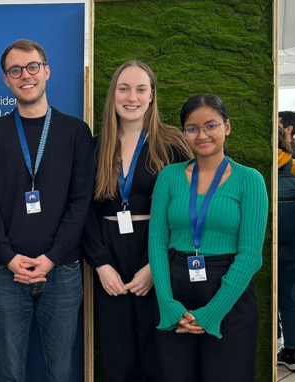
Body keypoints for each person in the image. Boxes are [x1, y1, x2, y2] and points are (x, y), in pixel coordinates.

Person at [0, 39, 95, 382]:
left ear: (47, 71)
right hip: (4, 272)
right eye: (15, 70)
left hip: (63, 270)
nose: (25, 75)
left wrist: (53, 257)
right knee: (10, 372)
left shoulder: (75, 132)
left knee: (60, 372)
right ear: (6, 80)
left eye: (32, 67)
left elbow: (80, 201)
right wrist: (9, 257)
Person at [82, 60, 192, 382]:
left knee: (157, 348)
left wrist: (155, 268)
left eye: (141, 89)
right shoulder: (94, 145)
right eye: (124, 88)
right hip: (109, 257)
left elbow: (184, 211)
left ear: (152, 96)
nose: (132, 97)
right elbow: (83, 210)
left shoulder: (171, 145)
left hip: (156, 254)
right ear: (113, 94)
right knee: (117, 352)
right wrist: (101, 264)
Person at [149, 93, 268, 382]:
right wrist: (168, 305)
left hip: (229, 298)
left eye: (211, 125)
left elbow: (251, 255)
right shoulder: (169, 176)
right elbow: (155, 245)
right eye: (192, 128)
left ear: (227, 127)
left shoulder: (249, 179)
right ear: (185, 133)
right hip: (176, 297)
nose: (202, 135)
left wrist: (211, 313)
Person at [278, 125, 295, 371]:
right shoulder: (292, 165)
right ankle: (290, 349)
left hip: (269, 245)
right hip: (291, 245)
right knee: (289, 296)